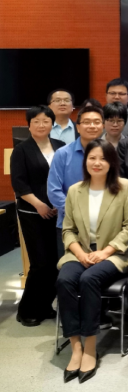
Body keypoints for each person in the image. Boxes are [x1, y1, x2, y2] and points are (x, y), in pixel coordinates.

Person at [56, 139, 128, 384]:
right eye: (92, 157)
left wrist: (105, 252)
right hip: (80, 252)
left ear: (111, 162)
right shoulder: (75, 190)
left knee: (89, 279)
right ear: (86, 161)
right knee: (64, 280)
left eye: (103, 158)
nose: (97, 162)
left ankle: (90, 346)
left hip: (114, 254)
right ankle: (76, 347)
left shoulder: (124, 187)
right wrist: (80, 253)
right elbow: (67, 230)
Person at [11, 106, 64, 326]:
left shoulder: (60, 146)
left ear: (52, 123)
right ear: (29, 124)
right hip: (32, 212)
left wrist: (60, 204)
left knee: (55, 262)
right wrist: (39, 204)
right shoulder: (21, 150)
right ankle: (26, 310)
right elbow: (19, 183)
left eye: (46, 121)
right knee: (40, 263)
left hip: (58, 213)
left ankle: (44, 305)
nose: (41, 125)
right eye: (36, 121)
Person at [48, 106, 105, 257]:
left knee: (100, 269)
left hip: (103, 226)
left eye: (96, 122)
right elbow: (54, 190)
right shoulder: (62, 154)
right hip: (70, 226)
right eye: (86, 122)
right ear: (78, 127)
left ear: (103, 126)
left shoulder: (110, 154)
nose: (92, 126)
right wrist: (76, 214)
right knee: (69, 268)